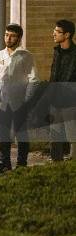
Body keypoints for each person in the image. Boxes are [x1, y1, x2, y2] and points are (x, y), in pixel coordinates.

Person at [0, 23, 38, 174]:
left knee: (21, 134)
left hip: (19, 101)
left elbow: (33, 79)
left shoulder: (26, 55)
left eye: (12, 35)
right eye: (6, 34)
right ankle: (4, 163)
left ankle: (21, 164)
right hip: (2, 102)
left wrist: (27, 101)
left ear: (19, 38)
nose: (8, 38)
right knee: (3, 135)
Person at [49, 19, 76, 161]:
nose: (53, 34)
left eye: (57, 31)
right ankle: (56, 166)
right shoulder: (57, 51)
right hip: (55, 101)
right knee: (55, 135)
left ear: (67, 35)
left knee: (72, 135)